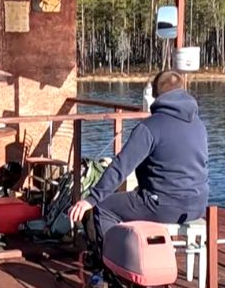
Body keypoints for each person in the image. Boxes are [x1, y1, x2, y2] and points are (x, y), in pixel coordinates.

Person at [68, 70, 208, 238]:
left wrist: (91, 199)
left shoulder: (150, 127)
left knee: (103, 207)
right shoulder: (199, 124)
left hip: (164, 206)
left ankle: (113, 254)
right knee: (136, 195)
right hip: (198, 204)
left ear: (155, 95)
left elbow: (121, 167)